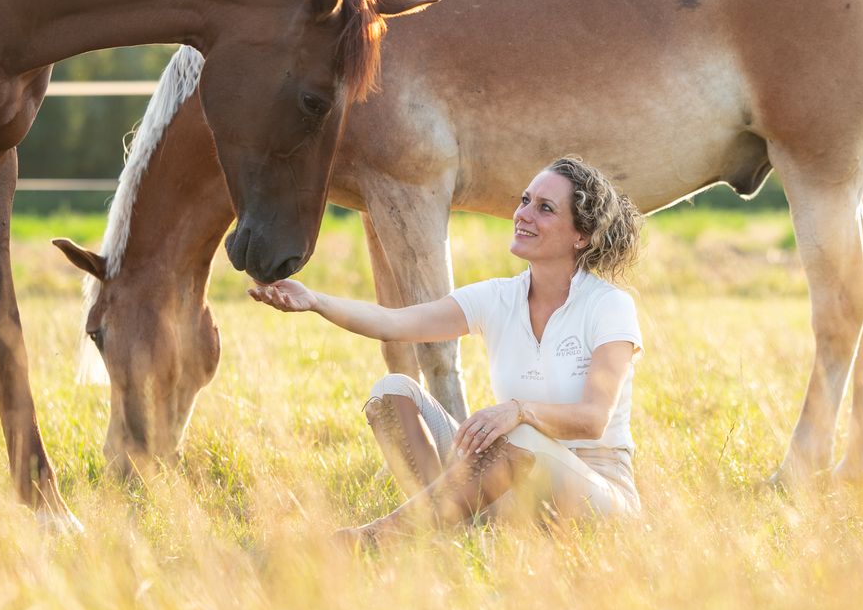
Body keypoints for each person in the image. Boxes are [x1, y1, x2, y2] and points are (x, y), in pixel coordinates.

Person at [249, 157, 645, 544]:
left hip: (597, 493)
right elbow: (394, 322)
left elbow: (594, 419)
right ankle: (453, 524)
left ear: (581, 235)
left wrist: (519, 410)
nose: (524, 215)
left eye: (545, 208)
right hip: (508, 484)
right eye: (524, 201)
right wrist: (315, 300)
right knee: (392, 392)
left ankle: (381, 537)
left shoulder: (608, 305)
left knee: (521, 436)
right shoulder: (498, 297)